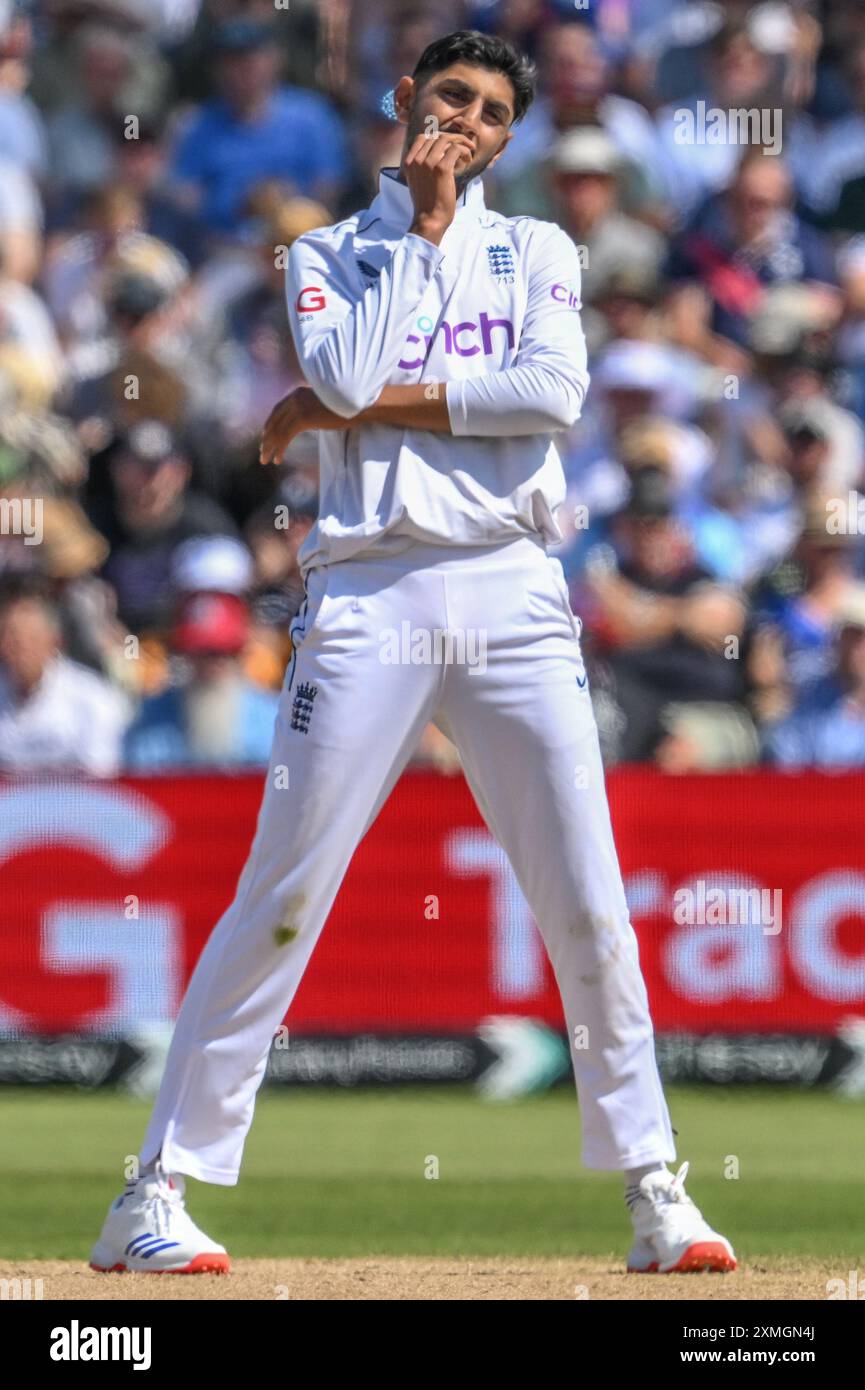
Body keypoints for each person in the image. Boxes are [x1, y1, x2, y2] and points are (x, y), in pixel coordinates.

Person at [91, 29, 736, 1278]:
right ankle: (152, 1192)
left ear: (509, 136)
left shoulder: (539, 247)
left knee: (589, 900)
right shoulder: (328, 250)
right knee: (281, 896)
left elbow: (546, 395)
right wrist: (424, 236)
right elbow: (333, 365)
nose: (466, 122)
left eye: (492, 112)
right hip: (369, 587)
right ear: (404, 98)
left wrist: (357, 403)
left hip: (514, 585)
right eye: (450, 95)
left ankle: (658, 1193)